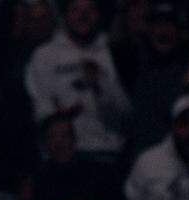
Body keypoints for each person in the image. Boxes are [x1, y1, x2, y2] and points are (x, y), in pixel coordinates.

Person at [23, 0, 130, 162]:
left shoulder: (114, 52)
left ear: (99, 14)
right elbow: (40, 106)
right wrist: (59, 118)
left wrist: (100, 85)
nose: (82, 16)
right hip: (63, 156)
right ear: (65, 15)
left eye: (89, 9)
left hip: (107, 153)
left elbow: (126, 112)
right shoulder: (44, 55)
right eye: (76, 9)